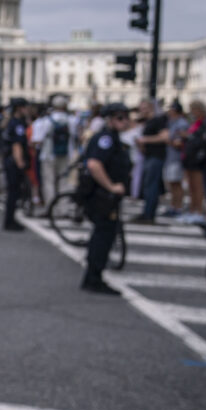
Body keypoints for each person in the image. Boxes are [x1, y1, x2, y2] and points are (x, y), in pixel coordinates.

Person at [79, 103, 132, 295]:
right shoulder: (106, 139)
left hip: (106, 196)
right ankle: (93, 278)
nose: (124, 121)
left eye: (126, 117)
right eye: (120, 117)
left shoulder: (113, 138)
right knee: (102, 237)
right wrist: (111, 186)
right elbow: (94, 164)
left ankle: (94, 276)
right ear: (109, 119)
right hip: (103, 196)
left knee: (104, 236)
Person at [32, 95, 75, 211]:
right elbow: (76, 137)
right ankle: (63, 207)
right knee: (63, 180)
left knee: (49, 181)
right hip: (65, 154)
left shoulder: (45, 121)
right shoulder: (71, 120)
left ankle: (51, 207)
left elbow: (37, 140)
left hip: (48, 155)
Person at [134, 100, 168, 223]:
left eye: (144, 108)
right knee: (149, 186)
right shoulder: (149, 122)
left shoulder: (158, 120)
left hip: (156, 157)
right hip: (149, 156)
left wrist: (145, 140)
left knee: (151, 186)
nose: (142, 111)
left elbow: (165, 136)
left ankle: (149, 214)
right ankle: (147, 212)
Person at [2, 98, 29, 231]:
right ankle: (10, 221)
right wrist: (20, 162)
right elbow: (17, 145)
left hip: (9, 160)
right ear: (19, 108)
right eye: (25, 107)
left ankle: (9, 220)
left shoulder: (11, 122)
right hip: (14, 162)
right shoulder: (17, 124)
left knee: (12, 192)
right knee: (13, 193)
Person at [162, 101, 189, 218]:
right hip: (170, 157)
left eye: (171, 110)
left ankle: (178, 207)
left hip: (176, 158)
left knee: (176, 183)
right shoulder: (172, 122)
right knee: (172, 184)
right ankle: (174, 206)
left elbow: (179, 143)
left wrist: (167, 140)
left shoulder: (181, 123)